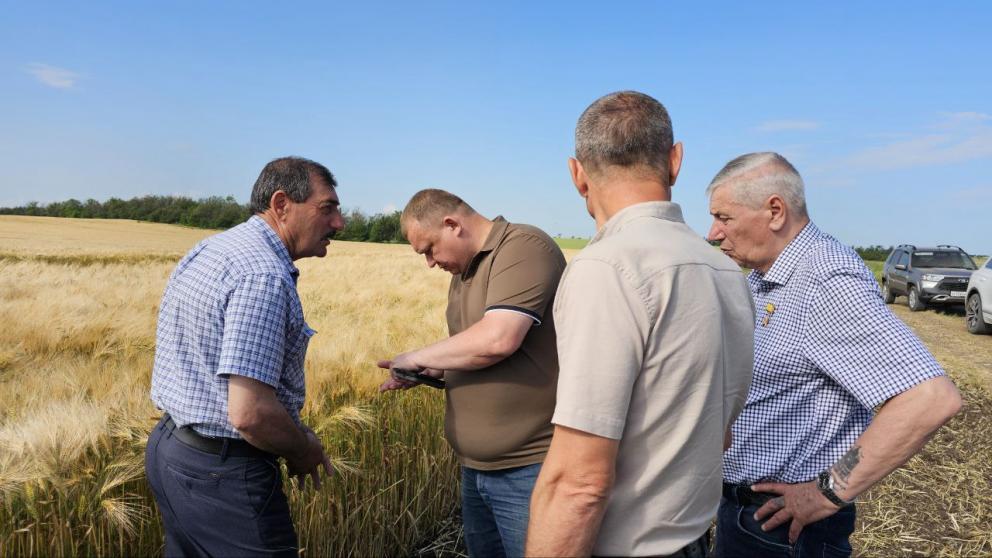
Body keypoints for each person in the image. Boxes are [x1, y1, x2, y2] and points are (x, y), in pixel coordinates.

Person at [526, 91, 756, 557]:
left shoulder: (606, 268)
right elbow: (720, 431)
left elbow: (580, 483)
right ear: (675, 161)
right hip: (693, 538)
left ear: (577, 174)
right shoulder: (726, 272)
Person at [705, 152, 963, 557]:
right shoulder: (766, 278)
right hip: (749, 518)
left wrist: (826, 492)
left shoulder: (824, 279)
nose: (713, 233)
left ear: (775, 211)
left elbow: (929, 399)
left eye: (724, 217)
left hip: (782, 531)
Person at [145, 156, 343, 557]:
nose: (338, 223)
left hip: (171, 450)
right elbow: (250, 413)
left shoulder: (214, 247)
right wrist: (303, 449)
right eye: (327, 208)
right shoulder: (263, 275)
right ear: (281, 204)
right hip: (223, 474)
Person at [377, 188, 565, 558]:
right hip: (475, 470)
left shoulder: (523, 247)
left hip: (528, 467)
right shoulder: (464, 270)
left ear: (452, 224)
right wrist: (431, 368)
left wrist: (415, 356)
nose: (429, 263)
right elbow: (472, 349)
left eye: (429, 249)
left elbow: (498, 339)